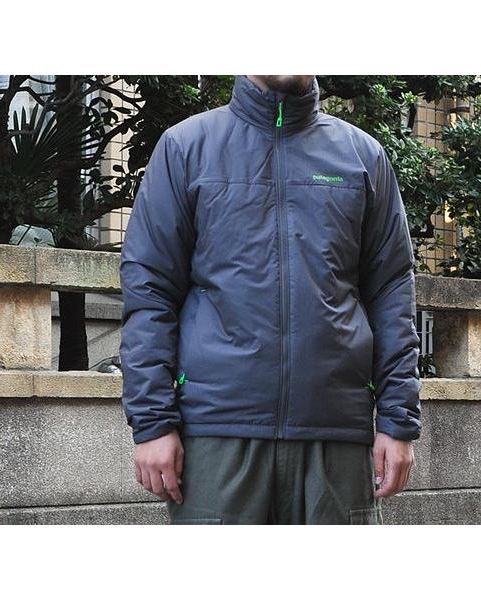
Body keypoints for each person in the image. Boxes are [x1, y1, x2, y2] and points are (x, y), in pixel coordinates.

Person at [119, 75, 422, 525]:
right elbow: (150, 290)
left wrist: (398, 420)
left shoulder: (362, 157)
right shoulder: (186, 148)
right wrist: (153, 422)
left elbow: (391, 292)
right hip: (217, 433)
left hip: (335, 436)